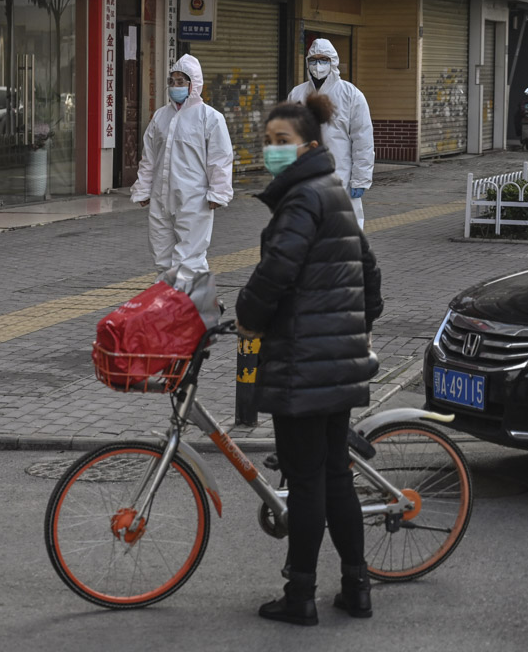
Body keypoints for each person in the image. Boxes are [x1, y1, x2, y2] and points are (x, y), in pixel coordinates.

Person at [235, 94, 383, 626]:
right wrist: (354, 328)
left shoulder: (300, 200)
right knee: (335, 475)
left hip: (303, 364)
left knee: (307, 481)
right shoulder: (333, 191)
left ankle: (300, 595)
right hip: (336, 361)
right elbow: (370, 274)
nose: (273, 151)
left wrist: (248, 315)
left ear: (310, 145)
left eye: (283, 142)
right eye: (268, 142)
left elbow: (277, 271)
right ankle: (356, 586)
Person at [130, 54, 233, 283]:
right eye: (172, 81)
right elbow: (149, 157)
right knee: (162, 257)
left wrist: (218, 192)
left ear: (194, 84)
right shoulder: (161, 117)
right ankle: (171, 308)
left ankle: (189, 309)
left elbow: (220, 158)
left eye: (181, 81)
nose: (175, 86)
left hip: (194, 199)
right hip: (161, 197)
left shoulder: (210, 118)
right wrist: (143, 188)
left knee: (189, 259)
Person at [288, 39, 374, 229]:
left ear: (333, 62)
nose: (318, 65)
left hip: (340, 177)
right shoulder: (297, 95)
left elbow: (363, 140)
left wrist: (360, 179)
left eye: (324, 59)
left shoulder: (351, 95)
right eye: (314, 60)